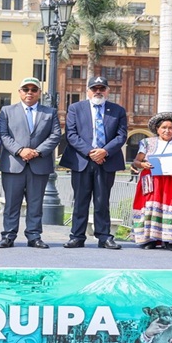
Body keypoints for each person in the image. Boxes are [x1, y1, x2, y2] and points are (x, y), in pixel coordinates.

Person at [59, 76, 127, 250]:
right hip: (82, 160)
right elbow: (71, 134)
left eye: (102, 88)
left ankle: (104, 237)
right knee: (80, 200)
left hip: (107, 160)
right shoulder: (75, 108)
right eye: (94, 88)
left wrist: (104, 151)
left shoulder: (117, 110)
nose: (98, 91)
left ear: (108, 91)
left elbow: (121, 136)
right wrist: (91, 151)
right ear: (87, 91)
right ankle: (77, 236)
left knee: (102, 200)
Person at [0, 77, 61, 249]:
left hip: (38, 163)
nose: (29, 93)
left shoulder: (50, 112)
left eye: (34, 90)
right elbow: (3, 135)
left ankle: (34, 236)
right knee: (11, 203)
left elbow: (55, 135)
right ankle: (8, 235)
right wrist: (20, 150)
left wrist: (37, 151)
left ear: (39, 93)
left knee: (35, 203)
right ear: (19, 92)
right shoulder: (7, 111)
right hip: (13, 164)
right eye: (26, 89)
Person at [131, 112, 172, 251]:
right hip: (153, 180)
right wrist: (143, 165)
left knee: (171, 206)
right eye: (164, 127)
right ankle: (150, 239)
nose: (167, 130)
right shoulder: (147, 143)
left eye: (170, 128)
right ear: (157, 129)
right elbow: (136, 161)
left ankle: (170, 240)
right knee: (151, 207)